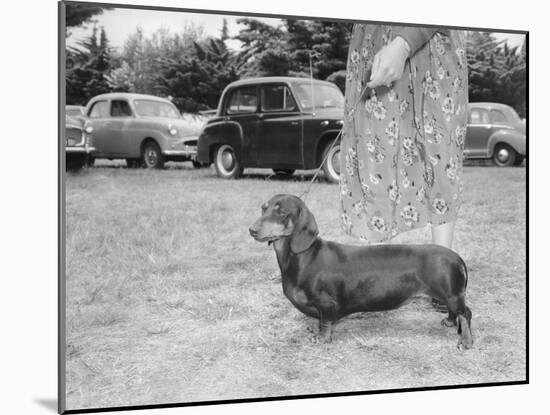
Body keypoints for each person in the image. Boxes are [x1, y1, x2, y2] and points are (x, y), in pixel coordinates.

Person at [339, 25, 468, 310]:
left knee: (440, 151)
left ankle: (441, 275)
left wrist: (405, 43)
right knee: (375, 150)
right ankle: (376, 280)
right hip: (373, 43)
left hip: (434, 41)